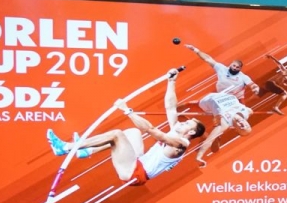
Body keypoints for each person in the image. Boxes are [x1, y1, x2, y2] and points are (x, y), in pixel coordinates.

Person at [47, 69, 206, 184]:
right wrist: (172, 82)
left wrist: (127, 110)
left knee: (116, 135)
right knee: (132, 132)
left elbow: (151, 130)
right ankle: (87, 151)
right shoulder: (177, 132)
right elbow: (170, 107)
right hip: (138, 162)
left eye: (186, 123)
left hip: (135, 174)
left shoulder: (181, 144)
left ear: (191, 132)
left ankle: (66, 148)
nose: (182, 122)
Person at [194, 91, 254, 167]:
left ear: (236, 129)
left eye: (241, 128)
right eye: (247, 126)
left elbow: (209, 140)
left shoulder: (225, 123)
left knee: (182, 107)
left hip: (206, 99)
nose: (243, 124)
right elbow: (250, 111)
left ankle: (202, 129)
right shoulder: (247, 112)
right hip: (223, 92)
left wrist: (199, 157)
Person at [185, 44, 260, 100]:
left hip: (236, 99)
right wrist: (195, 50)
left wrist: (255, 88)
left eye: (237, 67)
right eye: (234, 66)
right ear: (230, 64)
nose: (234, 68)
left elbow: (252, 85)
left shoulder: (243, 77)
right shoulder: (221, 68)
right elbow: (207, 59)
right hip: (221, 97)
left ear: (240, 69)